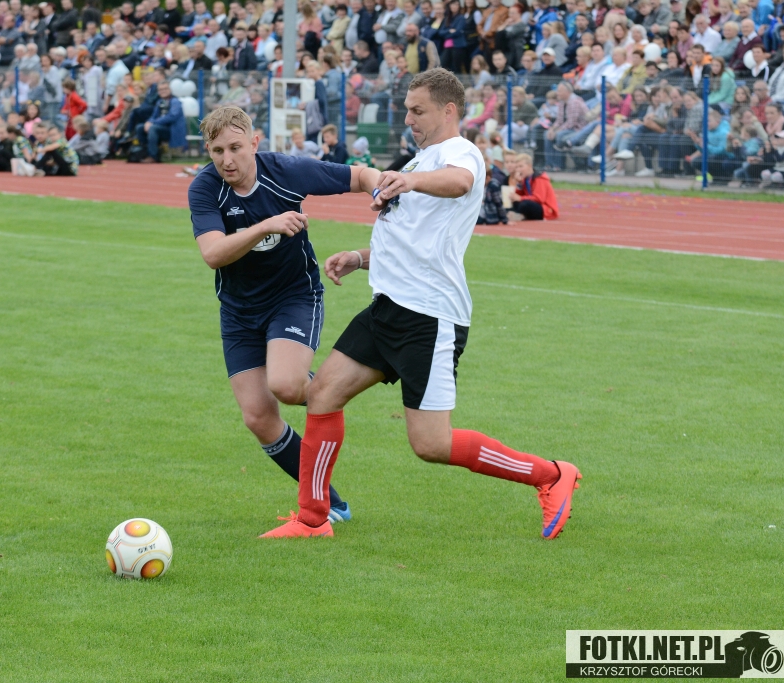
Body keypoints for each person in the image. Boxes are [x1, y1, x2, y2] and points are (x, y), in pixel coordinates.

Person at [261, 68, 581, 540]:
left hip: (429, 317)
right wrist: (359, 257)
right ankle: (313, 519)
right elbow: (413, 239)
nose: (408, 119)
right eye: (407, 110)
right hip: (387, 307)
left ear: (448, 110)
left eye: (417, 110)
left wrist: (411, 182)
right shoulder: (416, 163)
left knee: (431, 443)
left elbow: (458, 182)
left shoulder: (459, 153)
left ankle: (551, 475)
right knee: (323, 395)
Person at [188, 106, 382, 525]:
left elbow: (360, 175)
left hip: (293, 297)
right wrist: (266, 225)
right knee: (258, 416)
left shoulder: (285, 171)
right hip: (239, 312)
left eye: (236, 148)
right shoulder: (205, 188)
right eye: (218, 151)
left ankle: (330, 390)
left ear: (254, 143)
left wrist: (380, 190)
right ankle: (331, 502)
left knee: (287, 385)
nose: (227, 160)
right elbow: (213, 254)